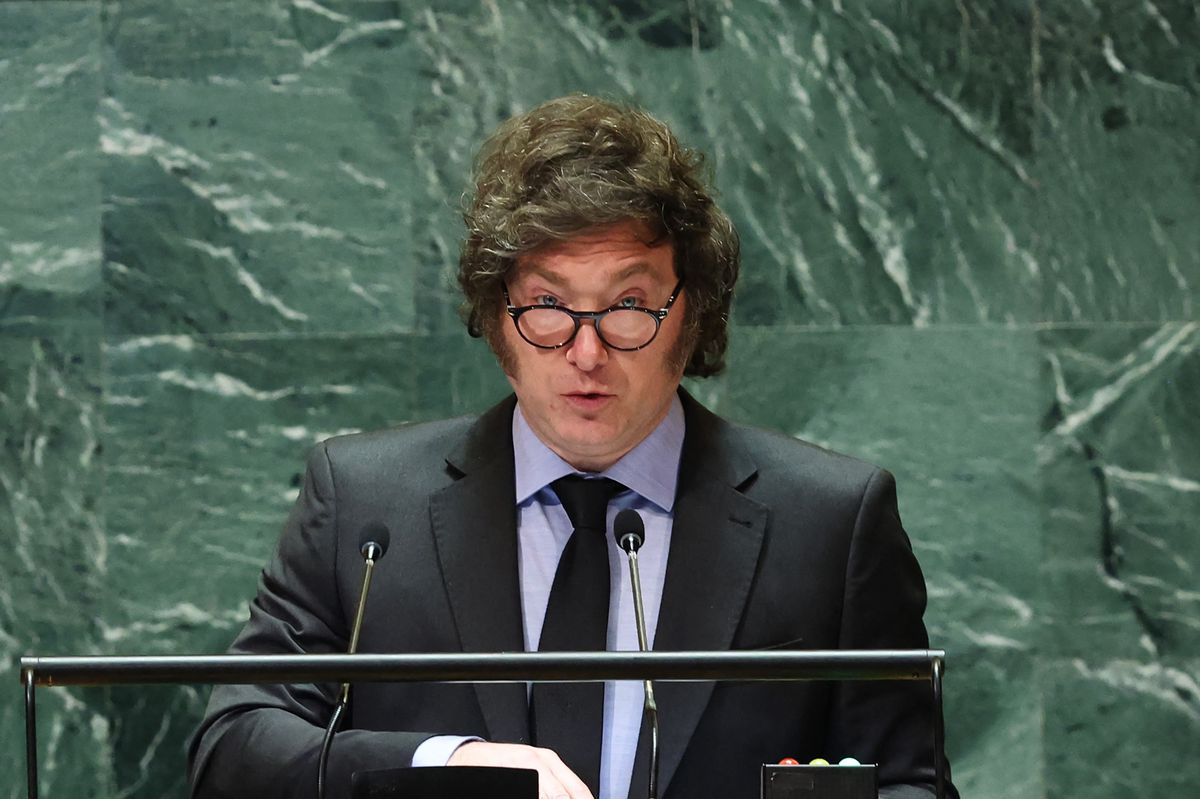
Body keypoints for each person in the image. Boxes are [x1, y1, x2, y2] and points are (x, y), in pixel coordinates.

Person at [188, 95, 955, 799]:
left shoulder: (829, 520)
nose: (586, 353)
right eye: (549, 305)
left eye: (627, 304)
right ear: (498, 316)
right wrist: (445, 763)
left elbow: (908, 786)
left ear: (690, 316)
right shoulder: (364, 502)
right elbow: (233, 747)